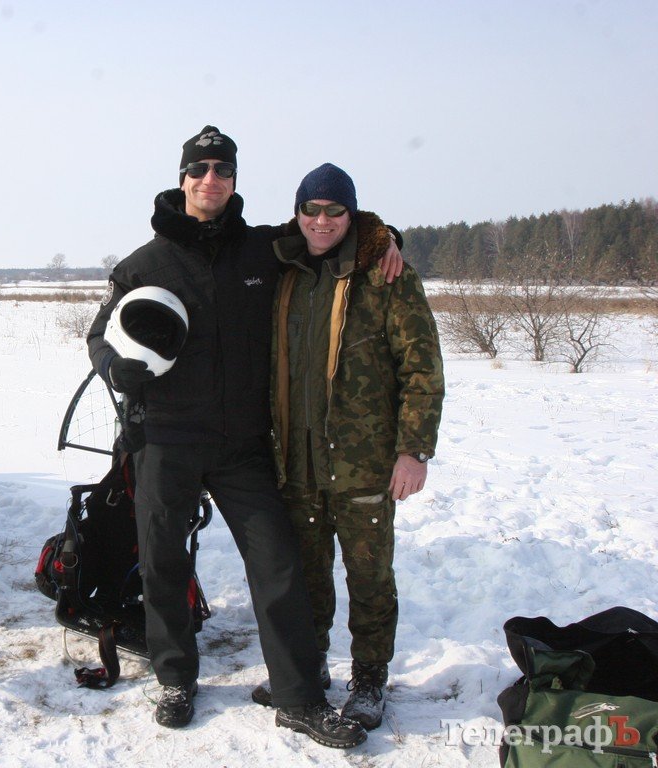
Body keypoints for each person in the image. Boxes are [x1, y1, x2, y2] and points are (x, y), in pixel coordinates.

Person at [86, 127, 401, 749]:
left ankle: (298, 696)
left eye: (222, 170)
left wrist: (386, 237)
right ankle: (174, 677)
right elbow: (101, 335)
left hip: (242, 443)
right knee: (164, 560)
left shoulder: (263, 250)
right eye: (199, 170)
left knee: (277, 561)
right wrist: (113, 364)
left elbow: (328, 231)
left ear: (234, 182)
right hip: (167, 439)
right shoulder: (144, 264)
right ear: (182, 179)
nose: (211, 180)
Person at [255, 162, 444, 731]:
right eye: (310, 209)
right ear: (297, 213)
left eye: (334, 210)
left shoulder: (387, 276)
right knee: (306, 577)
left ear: (352, 215)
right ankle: (309, 668)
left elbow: (422, 368)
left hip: (364, 464)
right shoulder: (281, 270)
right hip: (298, 461)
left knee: (368, 579)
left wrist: (414, 450)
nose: (321, 220)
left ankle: (368, 679)